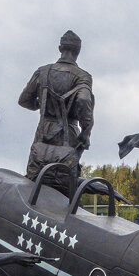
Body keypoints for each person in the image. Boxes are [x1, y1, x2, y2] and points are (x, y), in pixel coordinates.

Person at [18, 30, 94, 194]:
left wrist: (41, 104)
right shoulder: (83, 77)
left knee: (34, 188)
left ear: (60, 48)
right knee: (63, 193)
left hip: (42, 135)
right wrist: (86, 131)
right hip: (69, 139)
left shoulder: (42, 72)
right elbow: (83, 100)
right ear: (78, 51)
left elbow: (24, 100)